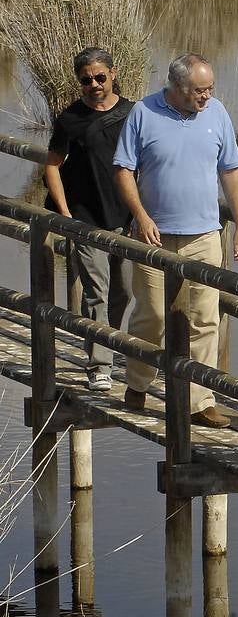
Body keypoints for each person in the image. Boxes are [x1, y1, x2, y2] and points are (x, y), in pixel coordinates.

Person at [113, 52, 238, 428]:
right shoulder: (143, 112)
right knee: (153, 315)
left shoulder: (217, 113)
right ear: (176, 86)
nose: (206, 97)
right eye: (198, 91)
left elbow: (231, 170)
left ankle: (199, 399)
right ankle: (138, 382)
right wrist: (140, 216)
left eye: (209, 89)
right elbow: (123, 169)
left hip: (204, 235)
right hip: (153, 238)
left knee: (205, 318)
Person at [43, 47, 135, 393]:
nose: (94, 84)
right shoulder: (70, 119)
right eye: (86, 80)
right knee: (96, 290)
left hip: (124, 217)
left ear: (113, 73)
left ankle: (107, 342)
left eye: (100, 77)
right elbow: (52, 164)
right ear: (79, 82)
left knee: (124, 290)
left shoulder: (133, 113)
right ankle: (100, 364)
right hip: (85, 217)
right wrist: (65, 213)